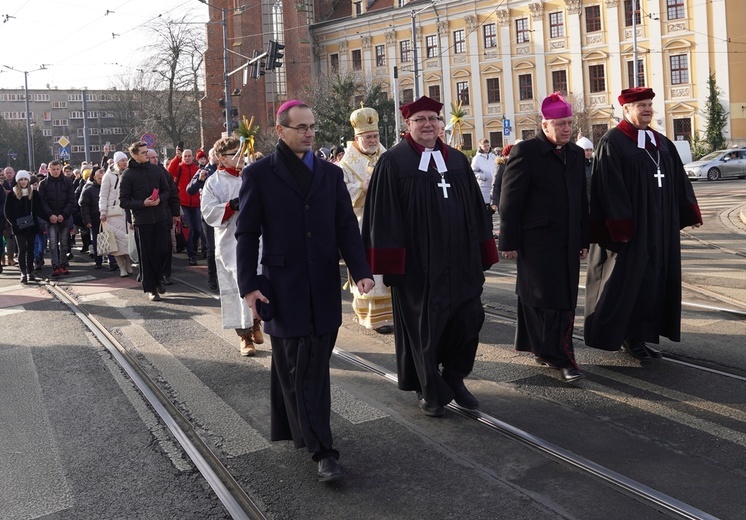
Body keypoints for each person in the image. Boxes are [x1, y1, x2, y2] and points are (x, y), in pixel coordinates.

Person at [236, 100, 374, 482]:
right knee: (306, 367)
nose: (310, 133)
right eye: (301, 127)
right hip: (282, 286)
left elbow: (346, 225)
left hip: (324, 284)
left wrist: (360, 270)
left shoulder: (329, 174)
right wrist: (248, 286)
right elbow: (246, 234)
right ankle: (323, 450)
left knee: (303, 364)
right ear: (281, 131)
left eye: (312, 126)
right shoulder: (260, 174)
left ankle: (290, 426)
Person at [361, 95, 499, 417]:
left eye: (432, 119)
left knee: (468, 322)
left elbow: (476, 211)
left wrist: (482, 250)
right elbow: (382, 216)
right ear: (408, 125)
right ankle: (430, 389)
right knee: (427, 329)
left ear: (441, 124)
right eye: (419, 119)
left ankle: (453, 377)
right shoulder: (394, 162)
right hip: (419, 268)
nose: (427, 125)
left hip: (461, 262)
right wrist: (391, 266)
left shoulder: (457, 161)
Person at [584, 87, 702, 361]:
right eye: (640, 105)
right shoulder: (613, 142)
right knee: (628, 286)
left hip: (660, 228)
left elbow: (677, 179)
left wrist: (688, 212)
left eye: (649, 104)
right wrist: (621, 227)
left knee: (654, 283)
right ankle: (627, 337)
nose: (647, 109)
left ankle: (642, 336)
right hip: (632, 232)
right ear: (626, 110)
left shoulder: (660, 142)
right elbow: (608, 189)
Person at [498, 93, 590, 383]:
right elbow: (509, 200)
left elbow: (581, 200)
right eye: (560, 124)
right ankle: (561, 357)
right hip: (536, 242)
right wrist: (509, 242)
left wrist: (583, 238)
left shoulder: (575, 154)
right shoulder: (526, 152)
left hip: (568, 241)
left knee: (564, 299)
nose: (566, 129)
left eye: (569, 123)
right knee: (542, 299)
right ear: (545, 124)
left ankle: (547, 350)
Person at [201, 137, 264, 356]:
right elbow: (208, 213)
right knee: (238, 286)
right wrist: (230, 206)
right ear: (220, 158)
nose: (239, 159)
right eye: (233, 155)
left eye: (241, 154)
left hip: (257, 240)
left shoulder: (253, 174)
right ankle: (244, 336)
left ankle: (256, 322)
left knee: (258, 280)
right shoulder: (214, 182)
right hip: (231, 242)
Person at [339, 105, 394, 334]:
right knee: (370, 266)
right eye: (368, 137)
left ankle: (393, 312)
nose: (373, 140)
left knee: (389, 266)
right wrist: (361, 187)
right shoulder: (345, 165)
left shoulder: (388, 158)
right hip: (362, 223)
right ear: (357, 138)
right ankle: (372, 317)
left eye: (375, 136)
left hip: (389, 224)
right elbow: (341, 196)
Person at [119, 141, 171, 301]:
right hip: (142, 220)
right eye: (143, 152)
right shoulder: (128, 175)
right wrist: (143, 203)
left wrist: (160, 199)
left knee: (162, 251)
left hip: (160, 216)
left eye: (147, 151)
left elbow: (167, 190)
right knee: (147, 255)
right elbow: (124, 201)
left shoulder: (156, 170)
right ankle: (151, 288)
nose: (147, 154)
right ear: (134, 155)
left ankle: (160, 279)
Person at [186, 148, 220, 291]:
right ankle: (212, 277)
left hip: (226, 213)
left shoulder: (227, 169)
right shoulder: (204, 171)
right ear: (212, 156)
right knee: (212, 247)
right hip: (210, 214)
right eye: (218, 154)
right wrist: (199, 180)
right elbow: (190, 189)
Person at [168, 147, 205, 266]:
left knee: (198, 229)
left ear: (193, 157)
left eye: (189, 156)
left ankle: (193, 248)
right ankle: (191, 255)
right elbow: (169, 172)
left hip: (196, 204)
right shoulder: (178, 167)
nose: (187, 158)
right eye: (185, 156)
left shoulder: (197, 169)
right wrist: (176, 157)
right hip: (183, 204)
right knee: (188, 230)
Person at [38, 160, 76, 278]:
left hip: (64, 217)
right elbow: (42, 202)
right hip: (50, 218)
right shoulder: (44, 183)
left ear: (61, 169)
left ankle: (63, 264)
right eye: (53, 169)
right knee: (53, 243)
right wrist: (50, 215)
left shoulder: (67, 182)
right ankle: (55, 265)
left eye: (57, 169)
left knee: (64, 243)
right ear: (49, 170)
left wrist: (63, 214)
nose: (55, 172)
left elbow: (71, 200)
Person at [3, 170, 40, 283]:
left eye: (25, 179)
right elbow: (7, 211)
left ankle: (30, 271)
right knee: (22, 249)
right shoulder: (12, 194)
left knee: (30, 249)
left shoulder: (34, 194)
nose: (23, 182)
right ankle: (23, 272)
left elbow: (39, 209)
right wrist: (14, 223)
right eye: (21, 180)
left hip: (32, 226)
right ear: (18, 181)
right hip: (18, 227)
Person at [99, 151, 131, 276]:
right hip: (113, 213)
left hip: (127, 211)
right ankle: (122, 267)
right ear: (117, 162)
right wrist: (102, 211)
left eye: (126, 160)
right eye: (122, 160)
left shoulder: (129, 173)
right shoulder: (108, 175)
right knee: (116, 243)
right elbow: (103, 195)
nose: (124, 162)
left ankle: (128, 262)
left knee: (128, 241)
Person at [79, 168, 117, 270]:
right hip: (95, 219)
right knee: (97, 241)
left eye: (103, 178)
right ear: (95, 177)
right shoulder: (89, 190)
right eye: (99, 178)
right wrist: (87, 220)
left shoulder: (110, 188)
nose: (101, 180)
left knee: (110, 240)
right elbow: (84, 206)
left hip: (109, 218)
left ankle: (112, 261)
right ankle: (98, 260)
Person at [576, 136, 594, 202]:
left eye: (590, 150)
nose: (589, 152)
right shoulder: (576, 165)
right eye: (586, 150)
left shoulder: (594, 163)